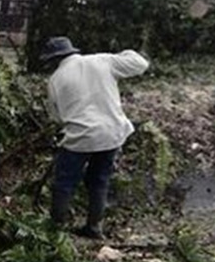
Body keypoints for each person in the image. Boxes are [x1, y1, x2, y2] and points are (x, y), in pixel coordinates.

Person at [41, 36, 149, 239]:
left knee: (64, 183)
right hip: (111, 134)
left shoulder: (55, 80)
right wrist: (126, 52)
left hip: (79, 137)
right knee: (99, 181)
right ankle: (94, 228)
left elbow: (56, 117)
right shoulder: (102, 61)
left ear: (54, 59)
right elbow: (140, 64)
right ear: (72, 51)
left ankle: (55, 231)